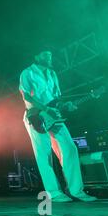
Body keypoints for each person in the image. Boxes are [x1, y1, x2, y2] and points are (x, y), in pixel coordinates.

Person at [19, 50, 97, 202]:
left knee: (70, 148)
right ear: (36, 56)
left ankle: (76, 191)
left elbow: (56, 98)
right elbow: (26, 95)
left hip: (54, 116)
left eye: (50, 55)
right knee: (44, 154)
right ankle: (54, 193)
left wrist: (65, 105)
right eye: (45, 55)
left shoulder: (52, 74)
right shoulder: (27, 73)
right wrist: (46, 109)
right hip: (35, 116)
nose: (49, 57)